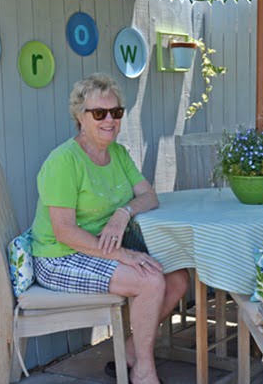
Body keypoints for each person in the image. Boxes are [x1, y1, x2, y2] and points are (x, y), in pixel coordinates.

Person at [31, 73, 189, 384]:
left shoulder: (117, 153)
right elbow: (63, 232)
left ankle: (130, 351)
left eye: (116, 112)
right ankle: (143, 370)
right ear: (80, 116)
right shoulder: (63, 161)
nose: (110, 120)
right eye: (99, 113)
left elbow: (149, 195)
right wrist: (123, 255)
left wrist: (123, 212)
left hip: (99, 249)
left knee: (178, 280)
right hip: (58, 256)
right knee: (150, 281)